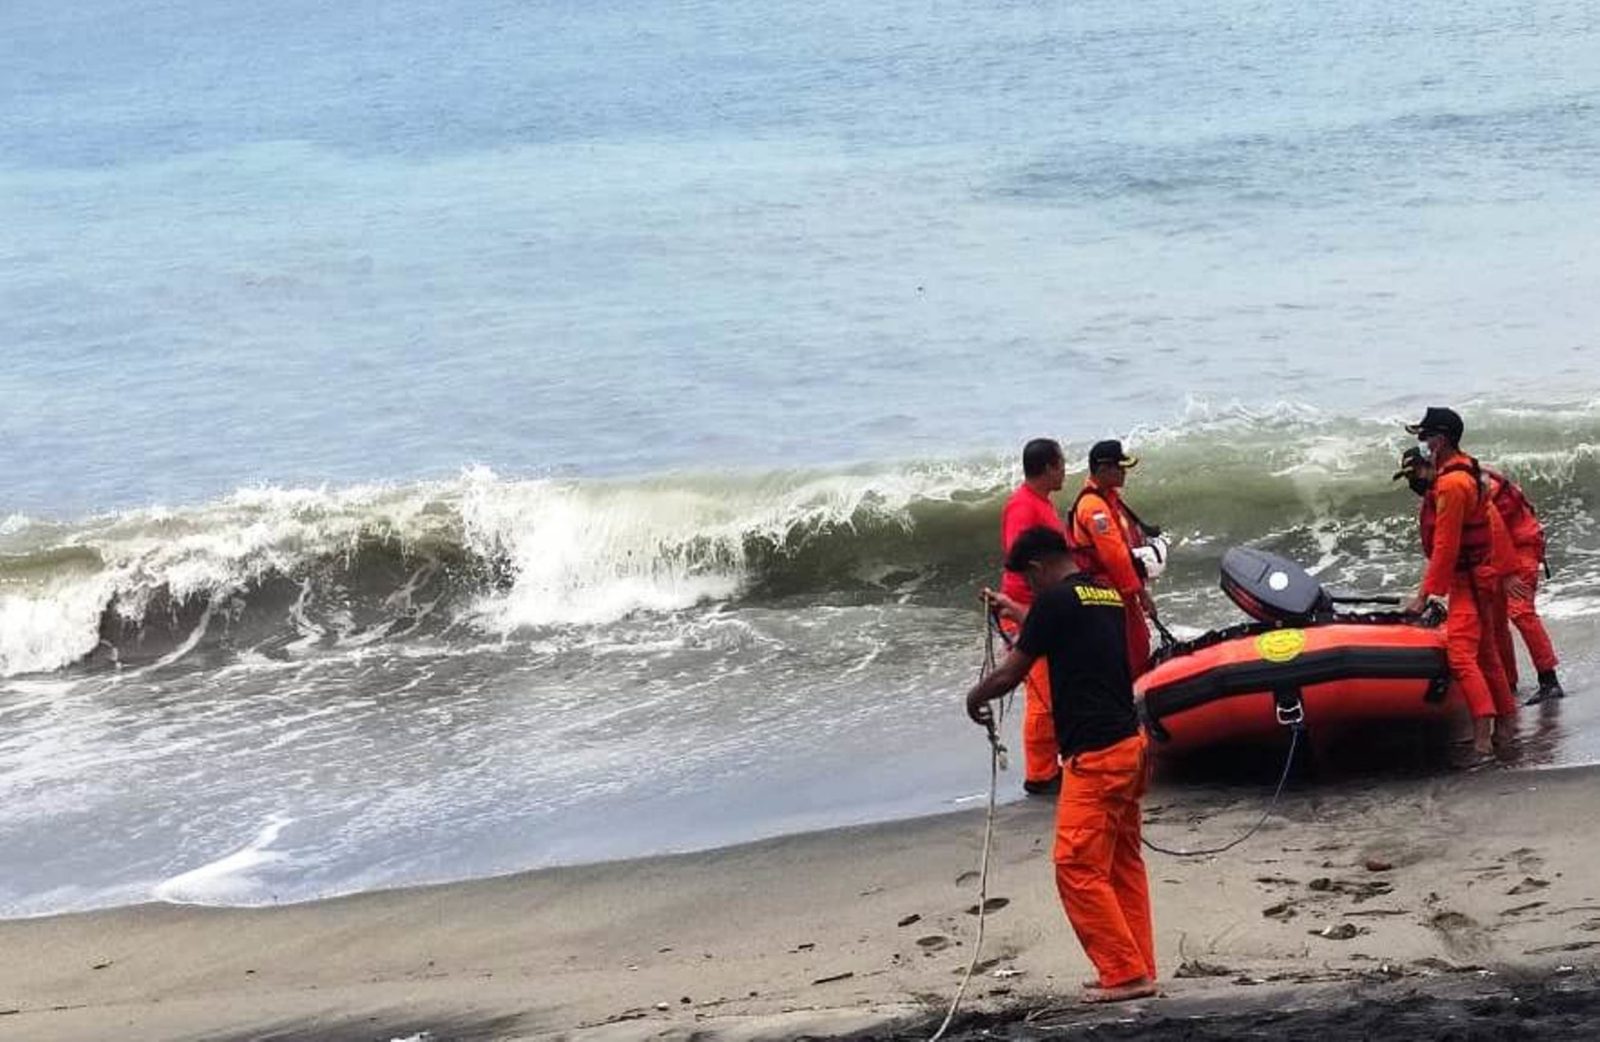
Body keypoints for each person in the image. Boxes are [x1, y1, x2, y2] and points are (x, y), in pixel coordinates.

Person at [967, 526, 1157, 1005]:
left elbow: (1013, 671)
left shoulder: (1055, 603)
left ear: (1036, 568)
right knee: (1121, 863)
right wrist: (1016, 612)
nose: (1028, 591)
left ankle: (1124, 973)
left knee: (1075, 866)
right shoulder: (1103, 594)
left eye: (1026, 583)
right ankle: (1138, 964)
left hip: (1095, 756)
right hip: (1131, 746)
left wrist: (975, 697)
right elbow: (1056, 626)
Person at [1400, 408, 1527, 762]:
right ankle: (1505, 725)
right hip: (1478, 576)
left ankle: (1483, 735)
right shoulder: (1469, 469)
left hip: (1469, 580)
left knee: (1460, 653)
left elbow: (1446, 545)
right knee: (1487, 654)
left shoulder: (1453, 485)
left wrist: (1425, 595)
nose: (1422, 444)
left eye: (1425, 438)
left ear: (1440, 440)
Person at [1395, 447, 1564, 704]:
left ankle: (1549, 679)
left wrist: (1507, 573)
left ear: (1430, 464)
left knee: (1519, 610)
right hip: (1492, 553)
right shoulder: (1445, 488)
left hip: (1519, 546)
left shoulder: (1461, 485)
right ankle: (1508, 684)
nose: (1412, 482)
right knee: (1494, 621)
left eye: (1414, 473)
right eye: (1408, 477)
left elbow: (1494, 527)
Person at [998, 438, 1068, 795]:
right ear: (1047, 468)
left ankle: (1051, 762)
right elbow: (1019, 565)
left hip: (1043, 608)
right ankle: (1040, 774)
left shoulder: (1042, 503)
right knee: (1043, 695)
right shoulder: (1023, 507)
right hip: (1027, 611)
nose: (1065, 470)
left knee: (1053, 689)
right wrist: (1033, 612)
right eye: (1061, 464)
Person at [1069, 440, 1159, 677]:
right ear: (1102, 470)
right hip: (1108, 592)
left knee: (1138, 644)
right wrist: (1141, 593)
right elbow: (1115, 556)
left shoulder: (1108, 497)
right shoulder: (1093, 507)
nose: (1124, 472)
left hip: (1119, 588)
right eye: (1120, 467)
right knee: (1130, 650)